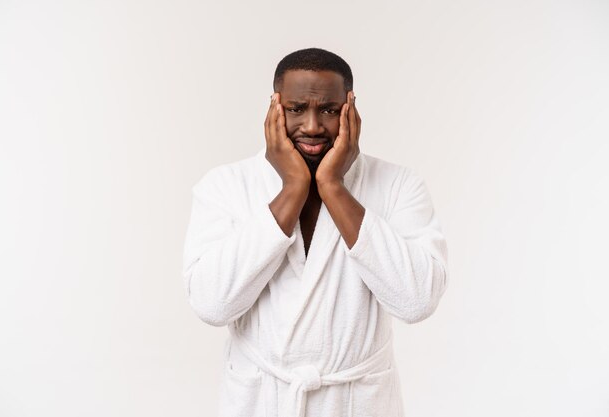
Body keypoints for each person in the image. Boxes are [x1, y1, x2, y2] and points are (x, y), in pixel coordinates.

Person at [182, 48, 448, 417]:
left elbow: (417, 301)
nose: (311, 126)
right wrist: (292, 188)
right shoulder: (226, 186)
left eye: (329, 110)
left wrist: (334, 187)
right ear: (274, 107)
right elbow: (211, 305)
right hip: (263, 402)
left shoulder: (398, 185)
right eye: (296, 109)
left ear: (350, 109)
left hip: (357, 403)